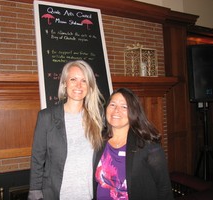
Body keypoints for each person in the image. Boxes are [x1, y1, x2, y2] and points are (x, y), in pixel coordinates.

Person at [28, 60, 105, 200]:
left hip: (89, 195)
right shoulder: (46, 117)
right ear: (64, 83)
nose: (78, 85)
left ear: (90, 86)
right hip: (56, 195)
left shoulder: (98, 118)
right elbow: (37, 159)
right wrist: (35, 192)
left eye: (84, 81)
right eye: (73, 79)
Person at [93, 88, 174, 200]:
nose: (116, 110)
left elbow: (164, 188)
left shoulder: (148, 146)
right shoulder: (98, 141)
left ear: (133, 112)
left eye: (124, 106)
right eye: (112, 105)